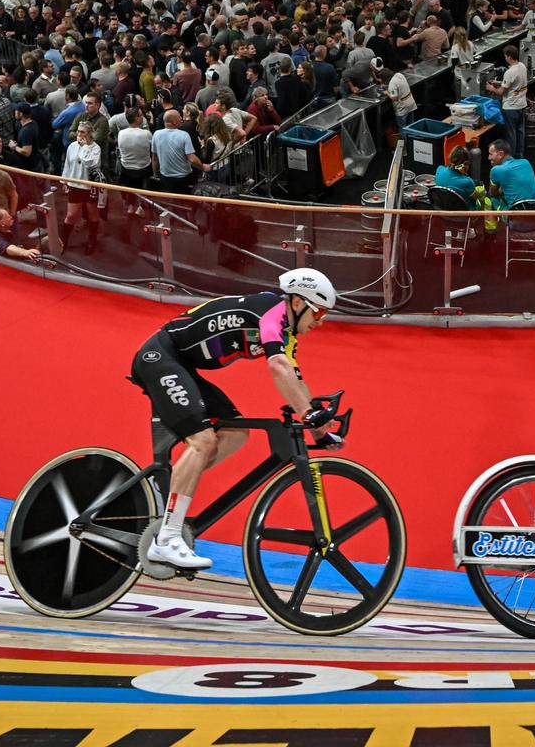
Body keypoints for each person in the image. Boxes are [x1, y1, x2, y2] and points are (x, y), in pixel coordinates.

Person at [127, 268, 340, 569]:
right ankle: (168, 538)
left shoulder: (286, 334)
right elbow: (277, 366)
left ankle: (171, 492)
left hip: (184, 365)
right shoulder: (271, 310)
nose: (320, 321)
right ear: (296, 303)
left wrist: (318, 429)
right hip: (160, 356)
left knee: (236, 434)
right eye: (317, 312)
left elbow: (294, 378)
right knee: (202, 441)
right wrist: (309, 413)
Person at [59, 120, 105, 253]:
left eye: (82, 132)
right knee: (71, 215)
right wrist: (64, 181)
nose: (79, 134)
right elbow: (67, 164)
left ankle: (92, 240)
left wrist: (85, 147)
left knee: (92, 215)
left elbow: (90, 164)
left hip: (90, 186)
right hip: (75, 185)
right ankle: (63, 241)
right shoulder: (72, 146)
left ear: (90, 133)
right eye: (78, 131)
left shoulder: (96, 148)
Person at [151, 108, 206, 195]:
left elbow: (154, 159)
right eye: (179, 117)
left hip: (165, 178)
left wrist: (156, 174)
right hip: (184, 179)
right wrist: (203, 167)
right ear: (172, 122)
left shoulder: (156, 134)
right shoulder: (184, 135)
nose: (181, 118)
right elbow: (192, 159)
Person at [492, 44, 529, 157]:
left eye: (505, 56)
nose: (505, 58)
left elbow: (501, 92)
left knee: (511, 134)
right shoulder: (522, 66)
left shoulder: (509, 72)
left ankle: (510, 157)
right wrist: (500, 83)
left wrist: (491, 88)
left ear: (509, 57)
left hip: (511, 108)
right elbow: (515, 85)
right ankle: (519, 154)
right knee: (520, 131)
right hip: (522, 105)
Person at [486, 138, 535, 207]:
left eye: (491, 154)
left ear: (500, 154)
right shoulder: (526, 162)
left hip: (517, 214)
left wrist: (502, 190)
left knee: (492, 199)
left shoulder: (496, 170)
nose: (489, 158)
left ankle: (493, 218)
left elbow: (493, 193)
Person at [385, 63, 416, 131]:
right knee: (411, 126)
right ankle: (412, 141)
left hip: (403, 107)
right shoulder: (399, 74)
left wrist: (387, 93)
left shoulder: (392, 84)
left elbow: (394, 97)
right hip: (410, 102)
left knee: (403, 129)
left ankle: (404, 142)